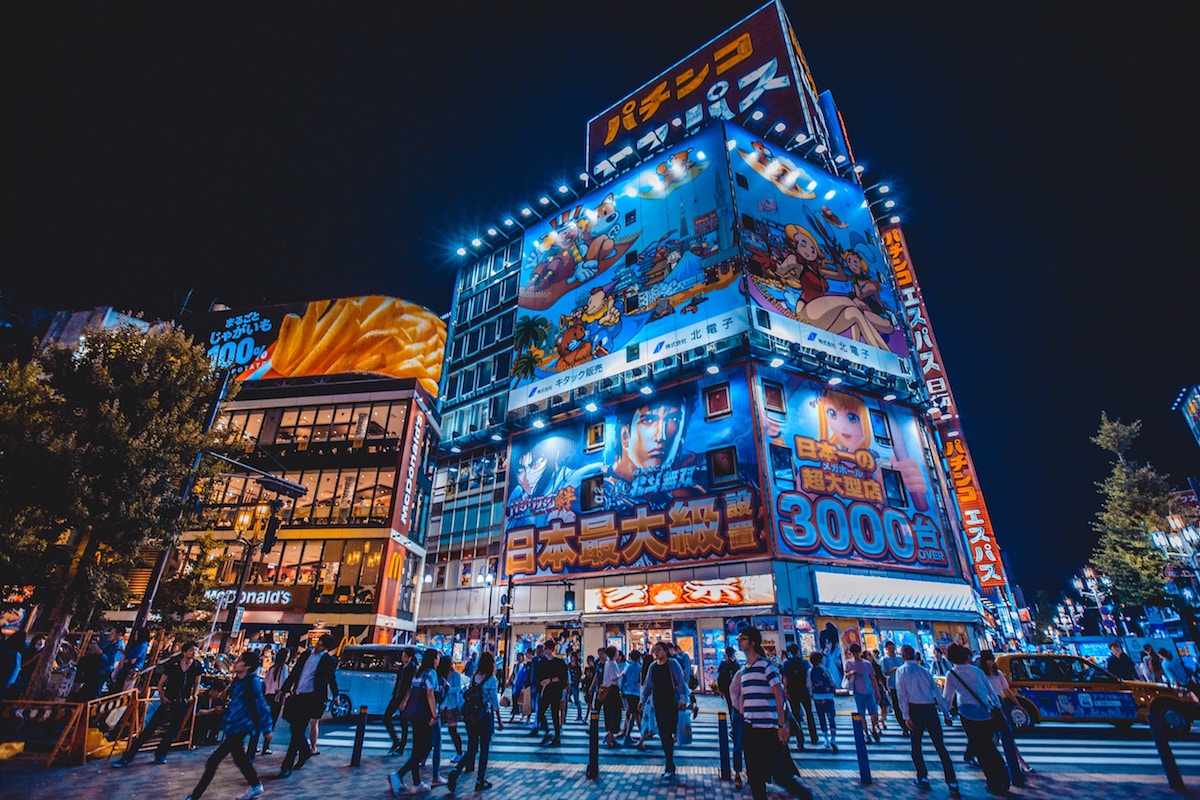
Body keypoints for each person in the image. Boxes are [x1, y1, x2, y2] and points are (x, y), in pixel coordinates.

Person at [181, 649, 270, 800]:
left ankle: (195, 796)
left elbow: (262, 705)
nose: (236, 662)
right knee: (239, 759)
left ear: (247, 666)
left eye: (239, 660)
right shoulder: (237, 681)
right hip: (233, 725)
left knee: (213, 760)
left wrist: (267, 728)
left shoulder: (253, 682)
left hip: (242, 726)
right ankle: (255, 785)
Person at [736, 626, 812, 800]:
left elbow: (779, 694)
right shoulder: (744, 669)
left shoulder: (766, 666)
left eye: (743, 638)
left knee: (779, 774)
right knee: (754, 776)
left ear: (753, 642)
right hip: (750, 728)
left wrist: (782, 724)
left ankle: (806, 795)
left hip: (768, 729)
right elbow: (745, 696)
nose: (739, 640)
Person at [113, 640, 202, 767]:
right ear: (184, 652)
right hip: (169, 699)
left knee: (172, 731)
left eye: (196, 651)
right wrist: (163, 696)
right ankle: (128, 757)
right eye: (192, 650)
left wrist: (193, 695)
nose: (194, 653)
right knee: (150, 728)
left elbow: (197, 683)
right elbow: (161, 683)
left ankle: (161, 754)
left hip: (182, 701)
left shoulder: (197, 666)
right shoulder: (174, 664)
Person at [944, 643, 1008, 795]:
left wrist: (946, 714)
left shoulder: (952, 674)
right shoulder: (978, 671)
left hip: (967, 714)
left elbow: (947, 697)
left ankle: (993, 781)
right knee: (988, 744)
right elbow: (991, 693)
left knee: (980, 748)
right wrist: (998, 708)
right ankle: (1002, 773)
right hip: (985, 712)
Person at [896, 644, 958, 794]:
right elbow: (937, 692)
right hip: (930, 709)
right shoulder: (924, 671)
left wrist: (906, 716)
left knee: (916, 746)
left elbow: (902, 696)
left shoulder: (901, 671)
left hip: (914, 709)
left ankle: (922, 777)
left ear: (903, 656)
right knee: (940, 747)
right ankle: (952, 781)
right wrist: (946, 714)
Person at [277, 634, 339, 779]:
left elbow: (331, 678)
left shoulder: (328, 660)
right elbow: (295, 673)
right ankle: (304, 751)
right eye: (319, 643)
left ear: (326, 648)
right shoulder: (306, 655)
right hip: (297, 695)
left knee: (298, 730)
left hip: (311, 698)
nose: (319, 646)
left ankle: (287, 766)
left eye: (322, 645)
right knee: (294, 727)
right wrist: (284, 689)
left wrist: (336, 696)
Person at [447, 651, 503, 794]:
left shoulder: (474, 677)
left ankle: (456, 771)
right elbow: (494, 702)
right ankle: (480, 780)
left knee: (472, 748)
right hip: (484, 716)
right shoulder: (492, 679)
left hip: (471, 717)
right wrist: (499, 720)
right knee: (484, 749)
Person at [388, 648, 439, 795]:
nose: (438, 660)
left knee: (417, 748)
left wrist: (404, 703)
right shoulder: (431, 673)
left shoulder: (418, 672)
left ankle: (417, 783)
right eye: (437, 658)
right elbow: (429, 693)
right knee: (426, 746)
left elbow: (410, 690)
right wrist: (434, 714)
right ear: (434, 659)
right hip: (425, 714)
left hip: (415, 714)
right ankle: (399, 774)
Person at [638, 641, 688, 780]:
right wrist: (642, 700)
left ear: (665, 651)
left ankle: (669, 763)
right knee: (664, 735)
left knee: (669, 733)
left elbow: (681, 683)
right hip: (658, 705)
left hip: (671, 704)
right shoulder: (653, 667)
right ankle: (669, 764)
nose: (656, 652)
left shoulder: (673, 664)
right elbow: (648, 685)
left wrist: (683, 699)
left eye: (659, 650)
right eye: (655, 650)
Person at [844, 644, 881, 742]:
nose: (856, 655)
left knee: (874, 713)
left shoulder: (867, 664)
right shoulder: (849, 663)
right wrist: (851, 673)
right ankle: (866, 734)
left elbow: (873, 678)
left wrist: (877, 692)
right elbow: (846, 676)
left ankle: (873, 728)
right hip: (858, 692)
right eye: (854, 653)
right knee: (861, 714)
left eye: (857, 653)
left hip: (869, 691)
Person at [782, 643, 817, 748]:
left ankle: (800, 740)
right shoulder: (804, 662)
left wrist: (786, 691)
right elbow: (808, 676)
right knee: (809, 713)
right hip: (804, 690)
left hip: (793, 691)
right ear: (798, 651)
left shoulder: (787, 663)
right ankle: (813, 737)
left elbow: (785, 678)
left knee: (796, 715)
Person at [257, 648, 290, 756]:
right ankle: (265, 747)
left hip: (268, 696)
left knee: (264, 719)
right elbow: (283, 683)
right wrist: (283, 696)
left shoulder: (271, 668)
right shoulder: (283, 668)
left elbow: (265, 683)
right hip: (277, 696)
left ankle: (255, 745)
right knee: (272, 722)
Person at [385, 646, 417, 755]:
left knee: (403, 723)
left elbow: (410, 686)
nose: (403, 658)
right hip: (396, 696)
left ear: (410, 657)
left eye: (404, 656)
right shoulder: (402, 667)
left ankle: (401, 746)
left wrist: (405, 700)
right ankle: (396, 741)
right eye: (402, 656)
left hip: (403, 698)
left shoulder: (411, 668)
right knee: (386, 718)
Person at [536, 638, 567, 746]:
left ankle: (557, 736)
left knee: (554, 713)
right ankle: (547, 731)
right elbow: (539, 676)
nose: (544, 650)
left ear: (550, 650)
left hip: (555, 690)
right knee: (540, 712)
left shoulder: (558, 662)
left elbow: (562, 677)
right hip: (546, 690)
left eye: (545, 648)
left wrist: (549, 680)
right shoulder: (543, 662)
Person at [806, 651, 837, 752]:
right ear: (820, 660)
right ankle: (833, 738)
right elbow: (832, 682)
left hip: (817, 697)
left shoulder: (810, 671)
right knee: (831, 716)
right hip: (828, 696)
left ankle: (826, 739)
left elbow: (809, 684)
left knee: (821, 717)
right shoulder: (825, 670)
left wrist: (811, 694)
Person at [439, 654, 465, 765]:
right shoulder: (440, 674)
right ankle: (425, 755)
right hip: (441, 705)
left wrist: (447, 689)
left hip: (452, 705)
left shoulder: (455, 675)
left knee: (452, 731)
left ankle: (459, 753)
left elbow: (458, 688)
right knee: (434, 731)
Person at [880, 641, 907, 736]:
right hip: (893, 686)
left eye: (892, 648)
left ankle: (908, 723)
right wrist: (893, 669)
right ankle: (903, 726)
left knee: (905, 705)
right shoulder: (885, 660)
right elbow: (885, 673)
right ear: (886, 649)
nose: (892, 650)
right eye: (889, 648)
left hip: (904, 685)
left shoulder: (900, 658)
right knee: (896, 706)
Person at [599, 646, 623, 746]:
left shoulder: (607, 663)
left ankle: (611, 738)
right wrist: (621, 674)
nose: (618, 653)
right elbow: (614, 678)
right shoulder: (612, 664)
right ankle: (609, 736)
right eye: (617, 652)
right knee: (617, 714)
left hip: (607, 690)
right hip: (612, 690)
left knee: (610, 714)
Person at [619, 650, 643, 744]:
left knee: (633, 712)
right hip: (635, 692)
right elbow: (640, 680)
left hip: (628, 691)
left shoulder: (628, 667)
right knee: (634, 713)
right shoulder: (639, 667)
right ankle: (627, 735)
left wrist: (622, 690)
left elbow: (623, 679)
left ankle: (641, 732)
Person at [717, 647, 739, 713]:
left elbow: (720, 678)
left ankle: (732, 719)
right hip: (735, 689)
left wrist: (721, 690)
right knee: (736, 706)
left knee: (730, 705)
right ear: (733, 654)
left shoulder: (723, 664)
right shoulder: (735, 664)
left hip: (726, 689)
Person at [567, 650, 584, 721]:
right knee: (566, 699)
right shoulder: (569, 665)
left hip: (575, 685)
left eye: (573, 657)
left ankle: (579, 715)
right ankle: (563, 716)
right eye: (571, 657)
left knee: (576, 700)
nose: (572, 658)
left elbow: (580, 676)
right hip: (569, 685)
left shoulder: (577, 666)